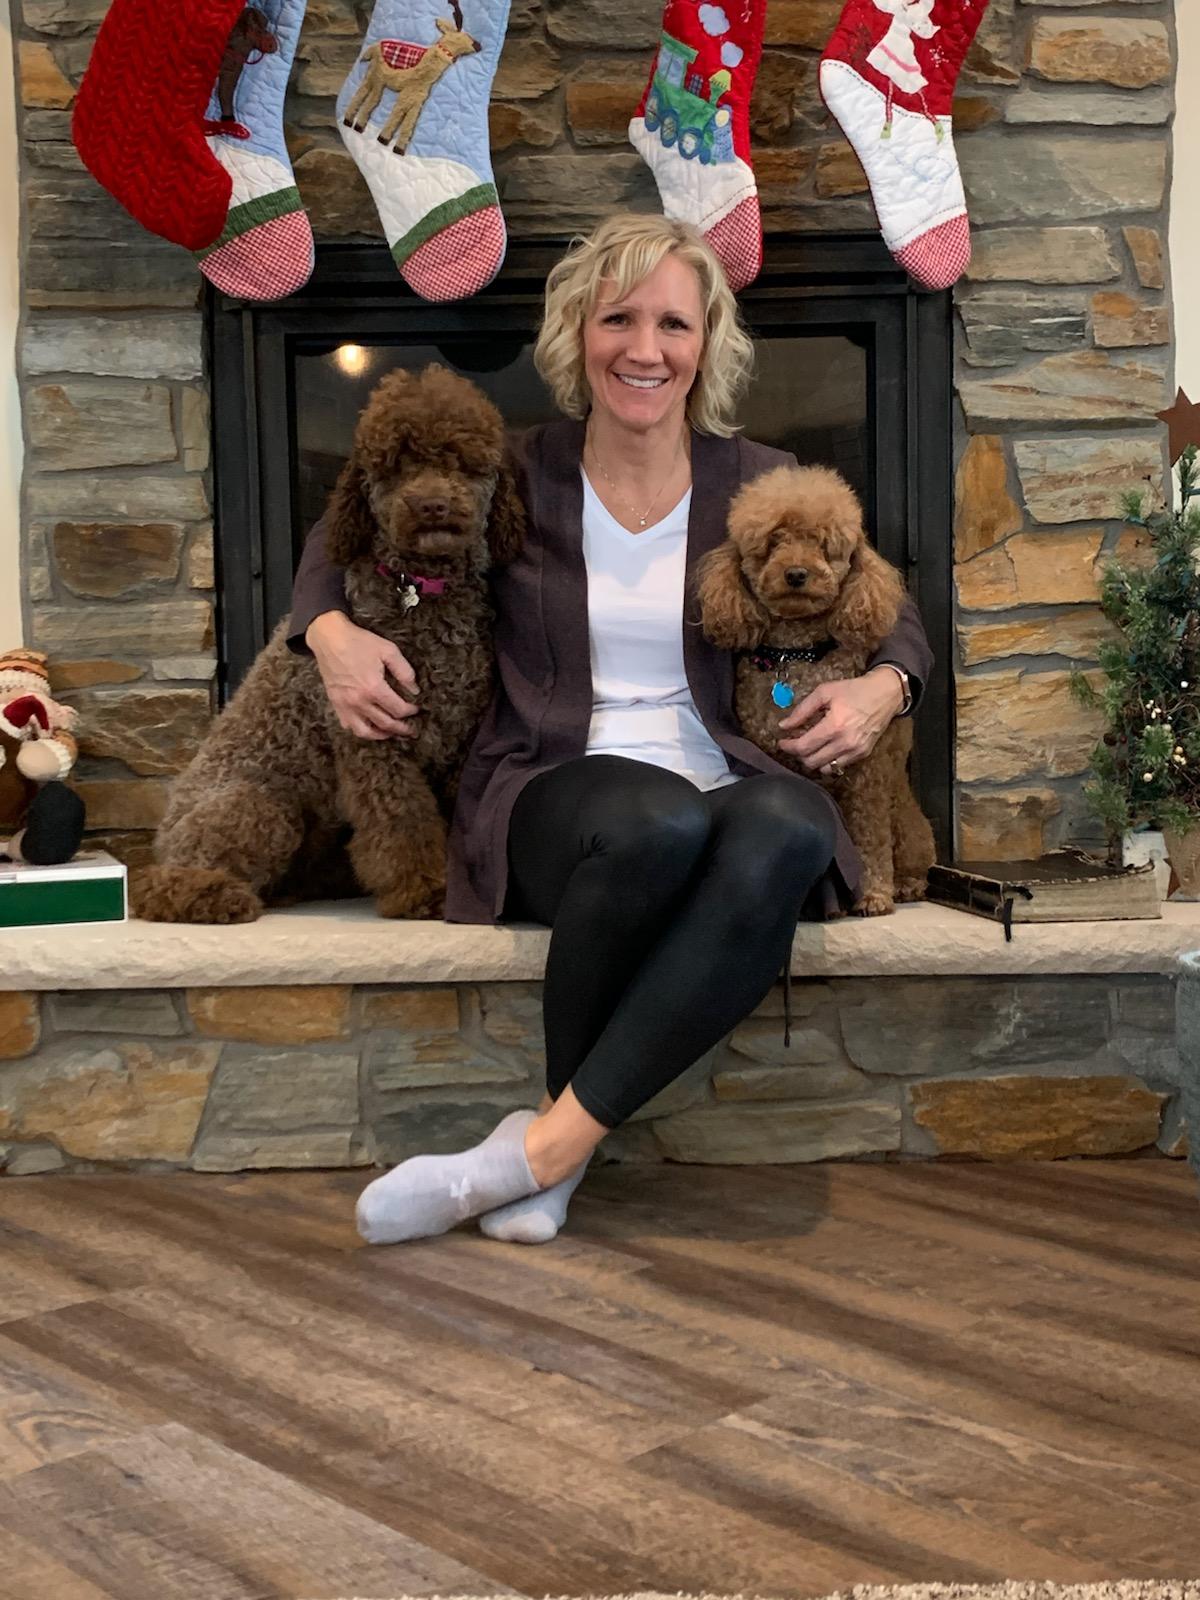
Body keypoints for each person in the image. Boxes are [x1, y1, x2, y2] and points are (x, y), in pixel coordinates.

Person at [288, 213, 933, 1246]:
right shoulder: (516, 467)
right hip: (556, 780)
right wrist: (326, 633)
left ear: (707, 342)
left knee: (791, 828)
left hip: (725, 767)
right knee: (657, 822)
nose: (645, 348)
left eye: (673, 323)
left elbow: (892, 609)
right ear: (576, 334)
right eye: (618, 318)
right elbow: (339, 532)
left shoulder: (754, 476)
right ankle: (550, 1152)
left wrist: (885, 688)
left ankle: (539, 1154)